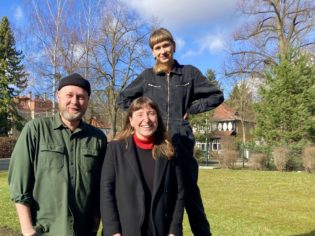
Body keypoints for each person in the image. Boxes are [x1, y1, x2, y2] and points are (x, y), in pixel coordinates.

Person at [117, 28, 224, 236]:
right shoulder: (147, 77)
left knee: (190, 193)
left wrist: (191, 109)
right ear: (153, 52)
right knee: (160, 193)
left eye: (166, 45)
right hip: (155, 140)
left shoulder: (189, 73)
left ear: (173, 46)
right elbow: (123, 99)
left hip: (181, 138)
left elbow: (216, 95)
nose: (163, 51)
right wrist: (142, 117)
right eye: (157, 48)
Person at [8, 73, 107, 236]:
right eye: (69, 95)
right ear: (58, 96)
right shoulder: (36, 130)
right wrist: (27, 230)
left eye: (81, 97)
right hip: (44, 231)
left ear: (88, 101)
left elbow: (101, 188)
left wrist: (95, 226)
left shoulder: (98, 138)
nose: (75, 101)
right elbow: (19, 183)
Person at [100, 96, 184, 236]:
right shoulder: (116, 149)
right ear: (131, 121)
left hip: (160, 230)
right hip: (125, 230)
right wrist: (112, 230)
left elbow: (179, 193)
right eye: (139, 114)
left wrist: (174, 230)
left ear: (157, 119)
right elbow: (105, 191)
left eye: (151, 113)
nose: (146, 119)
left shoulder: (169, 151)